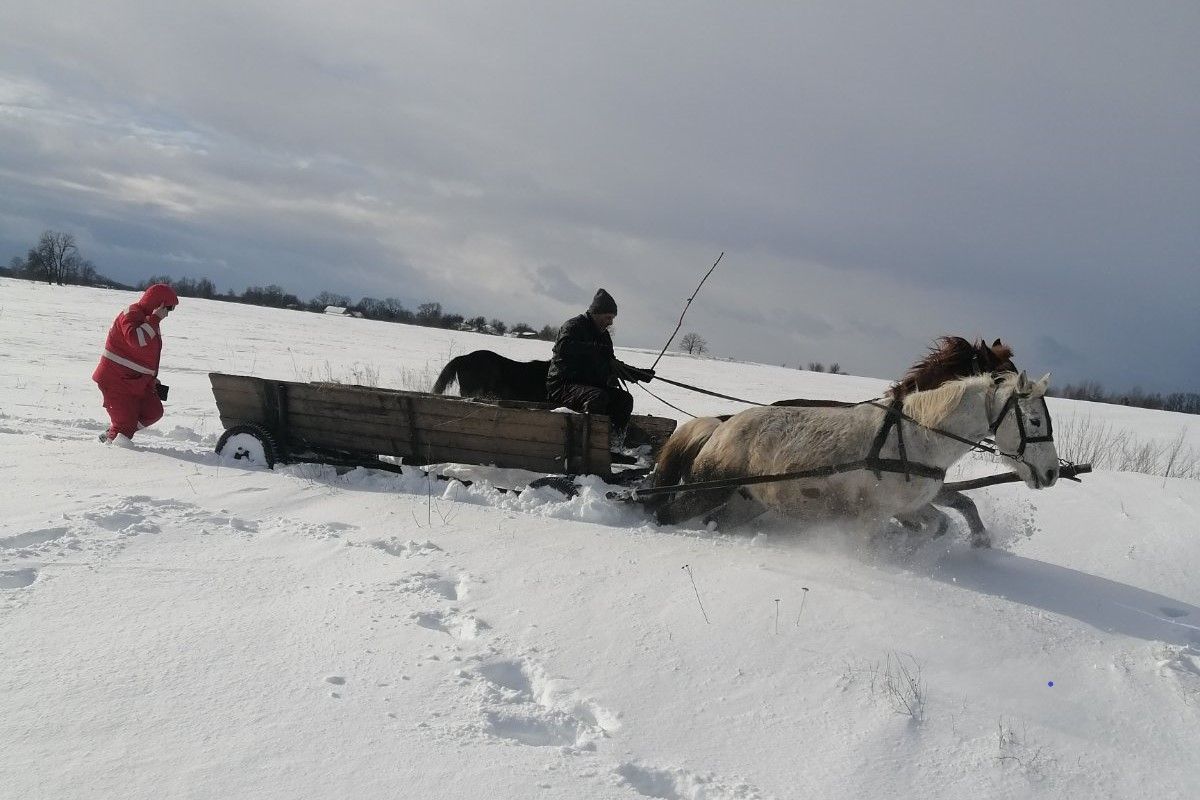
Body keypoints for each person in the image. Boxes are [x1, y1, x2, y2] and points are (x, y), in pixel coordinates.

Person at [546, 288, 655, 450]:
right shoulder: (573, 326)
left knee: (624, 399)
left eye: (612, 318)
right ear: (596, 313)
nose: (611, 322)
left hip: (590, 386)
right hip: (563, 385)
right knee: (598, 397)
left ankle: (613, 446)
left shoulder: (604, 335)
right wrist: (594, 348)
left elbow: (611, 363)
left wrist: (637, 374)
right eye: (608, 317)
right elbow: (564, 347)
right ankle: (590, 447)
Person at [92, 283, 179, 444]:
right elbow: (136, 340)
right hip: (116, 380)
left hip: (136, 381)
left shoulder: (150, 320)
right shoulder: (131, 314)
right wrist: (155, 318)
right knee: (125, 426)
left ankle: (117, 432)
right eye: (168, 308)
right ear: (157, 304)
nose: (167, 314)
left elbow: (142, 355)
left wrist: (151, 378)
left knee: (153, 412)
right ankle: (111, 444)